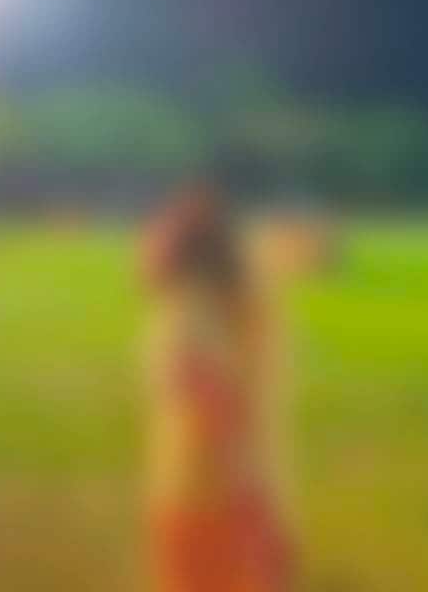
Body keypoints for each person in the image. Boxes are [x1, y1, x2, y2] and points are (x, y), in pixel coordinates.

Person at [140, 184, 297, 592]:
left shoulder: (187, 315)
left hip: (200, 498)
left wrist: (253, 516)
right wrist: (260, 514)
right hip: (228, 494)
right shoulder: (232, 310)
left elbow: (216, 413)